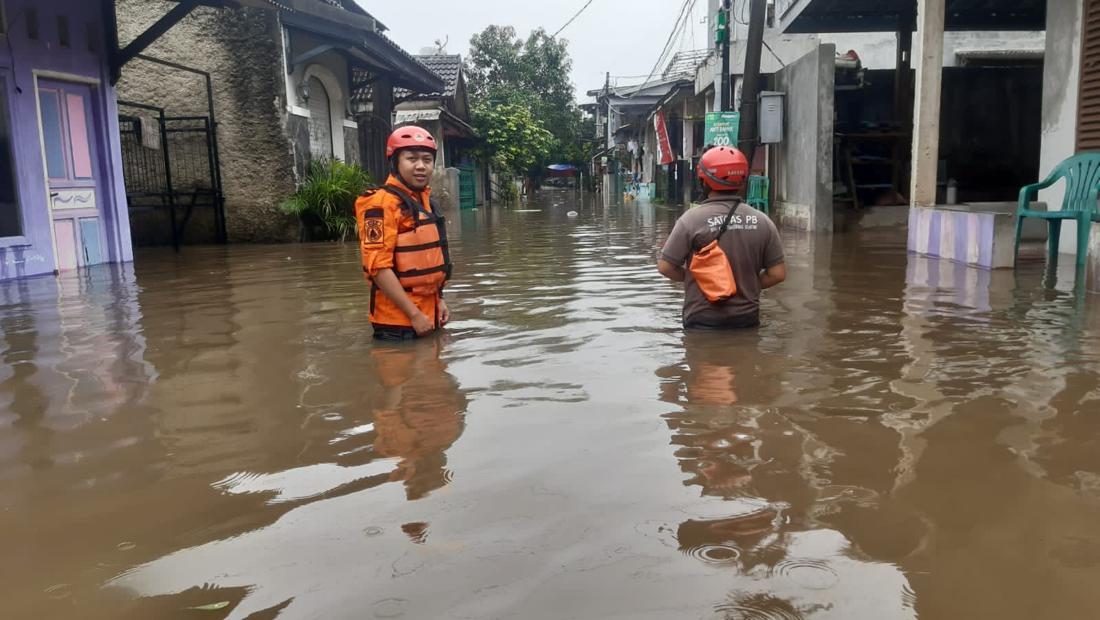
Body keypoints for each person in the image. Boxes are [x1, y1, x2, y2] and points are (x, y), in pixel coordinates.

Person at [657, 146, 786, 329]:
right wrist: (748, 285)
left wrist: (696, 277)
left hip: (701, 320)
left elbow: (665, 267)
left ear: (703, 180)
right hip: (746, 321)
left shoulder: (690, 220)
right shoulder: (763, 221)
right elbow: (778, 274)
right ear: (743, 181)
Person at [356, 125, 452, 341]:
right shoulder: (379, 205)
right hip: (398, 325)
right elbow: (377, 267)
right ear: (395, 163)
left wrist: (439, 299)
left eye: (427, 160)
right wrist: (414, 314)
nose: (420, 166)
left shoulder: (425, 202)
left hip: (428, 314)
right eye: (412, 159)